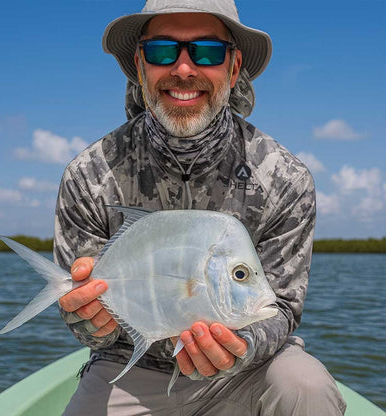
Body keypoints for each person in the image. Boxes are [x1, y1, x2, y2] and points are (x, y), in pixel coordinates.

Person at [55, 1, 346, 414]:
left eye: (207, 51)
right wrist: (89, 321)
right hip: (130, 368)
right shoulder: (89, 174)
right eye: (162, 51)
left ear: (233, 65)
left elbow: (279, 308)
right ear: (140, 65)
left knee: (305, 386)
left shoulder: (285, 178)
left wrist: (239, 348)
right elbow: (92, 329)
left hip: (248, 372)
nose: (184, 69)